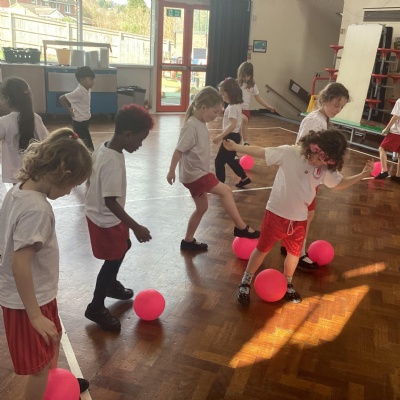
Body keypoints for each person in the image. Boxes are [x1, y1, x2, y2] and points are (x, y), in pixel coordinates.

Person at [223, 129, 373, 305]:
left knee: (294, 255)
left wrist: (362, 175)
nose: (318, 163)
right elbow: (262, 152)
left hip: (300, 218)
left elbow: (339, 183)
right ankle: (246, 281)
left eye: (324, 161)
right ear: (314, 146)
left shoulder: (324, 167)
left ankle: (287, 282)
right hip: (276, 213)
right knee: (262, 248)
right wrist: (236, 147)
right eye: (319, 158)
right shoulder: (290, 153)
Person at [0, 128, 92, 399]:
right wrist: (34, 315)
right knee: (39, 368)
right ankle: (44, 388)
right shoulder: (37, 209)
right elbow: (20, 264)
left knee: (52, 340)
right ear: (63, 174)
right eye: (72, 186)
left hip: (39, 294)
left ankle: (56, 386)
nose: (69, 192)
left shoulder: (18, 189)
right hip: (27, 302)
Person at [84, 104, 153, 331]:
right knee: (113, 259)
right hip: (105, 219)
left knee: (124, 246)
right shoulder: (112, 161)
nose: (140, 145)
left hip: (103, 215)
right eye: (140, 140)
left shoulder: (105, 147)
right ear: (128, 134)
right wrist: (136, 226)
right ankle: (96, 306)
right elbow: (110, 201)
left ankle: (111, 285)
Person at [167, 86, 260, 251]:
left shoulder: (200, 122)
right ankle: (241, 227)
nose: (217, 116)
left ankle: (188, 241)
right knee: (226, 191)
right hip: (195, 175)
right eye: (215, 112)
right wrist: (171, 170)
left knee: (202, 208)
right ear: (203, 108)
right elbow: (178, 151)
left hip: (196, 174)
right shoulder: (191, 126)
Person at [283, 82, 350, 271]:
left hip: (310, 175)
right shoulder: (314, 121)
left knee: (304, 214)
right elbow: (303, 147)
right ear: (325, 99)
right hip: (305, 175)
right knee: (306, 215)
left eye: (342, 107)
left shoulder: (322, 119)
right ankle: (298, 253)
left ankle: (289, 246)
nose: (338, 110)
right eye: (336, 105)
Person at [0, 77, 48, 184]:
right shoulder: (36, 118)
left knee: (20, 193)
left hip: (16, 173)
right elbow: (46, 139)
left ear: (7, 99)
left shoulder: (4, 122)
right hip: (35, 170)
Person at [214, 77, 252, 188]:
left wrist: (221, 136)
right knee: (231, 160)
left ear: (229, 93)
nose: (222, 97)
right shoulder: (235, 106)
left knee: (219, 161)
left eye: (223, 94)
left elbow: (233, 124)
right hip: (234, 136)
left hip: (230, 137)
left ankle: (220, 185)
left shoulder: (232, 107)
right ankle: (244, 178)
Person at [237, 61, 276, 145]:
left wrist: (268, 106)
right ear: (240, 74)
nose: (246, 78)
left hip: (245, 111)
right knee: (237, 129)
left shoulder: (252, 85)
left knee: (243, 123)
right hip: (236, 109)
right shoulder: (237, 84)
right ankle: (238, 144)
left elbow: (258, 98)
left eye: (248, 76)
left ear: (251, 76)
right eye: (244, 76)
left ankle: (246, 142)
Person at [59, 66, 95, 151]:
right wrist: (69, 110)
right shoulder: (79, 92)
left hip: (85, 121)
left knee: (80, 143)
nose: (93, 82)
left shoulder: (87, 89)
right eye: (91, 79)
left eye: (93, 79)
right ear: (82, 80)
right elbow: (62, 99)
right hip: (79, 122)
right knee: (87, 146)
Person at [374, 97, 400, 182]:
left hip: (397, 132)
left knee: (382, 148)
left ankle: (384, 171)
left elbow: (396, 116)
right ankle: (398, 175)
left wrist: (386, 128)